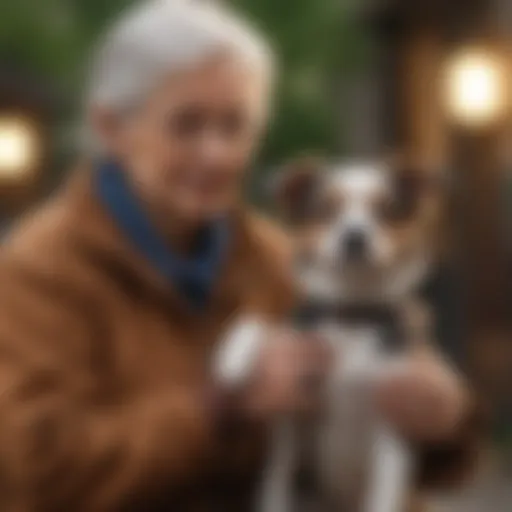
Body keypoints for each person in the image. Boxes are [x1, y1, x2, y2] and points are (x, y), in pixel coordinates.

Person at [0, 1, 479, 510]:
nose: (217, 154)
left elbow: (367, 455)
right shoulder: (38, 271)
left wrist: (446, 422)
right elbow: (34, 472)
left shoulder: (289, 263)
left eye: (236, 126)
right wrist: (221, 406)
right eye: (186, 125)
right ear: (110, 127)